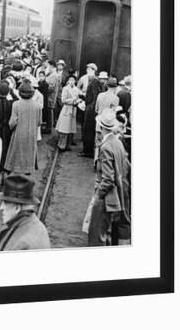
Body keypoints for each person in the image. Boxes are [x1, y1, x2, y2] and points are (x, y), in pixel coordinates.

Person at [88, 108, 131, 246]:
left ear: (101, 127)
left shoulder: (105, 146)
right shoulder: (118, 142)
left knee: (97, 232)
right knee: (113, 229)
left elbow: (107, 179)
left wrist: (98, 195)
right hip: (119, 191)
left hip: (107, 197)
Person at [0, 174, 51, 251]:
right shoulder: (30, 223)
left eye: (5, 203)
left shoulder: (24, 243)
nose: (1, 207)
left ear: (17, 208)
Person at [4, 82, 42, 175]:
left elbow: (12, 122)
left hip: (19, 132)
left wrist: (11, 128)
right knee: (30, 150)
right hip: (32, 132)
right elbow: (39, 122)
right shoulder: (37, 105)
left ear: (20, 93)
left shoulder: (16, 104)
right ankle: (28, 168)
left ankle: (15, 168)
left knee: (17, 151)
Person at [0, 81, 18, 172]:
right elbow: (17, 100)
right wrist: (12, 92)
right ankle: (6, 167)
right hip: (7, 129)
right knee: (7, 147)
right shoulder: (11, 104)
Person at [79, 70, 106, 158]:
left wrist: (91, 108)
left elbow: (94, 97)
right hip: (92, 109)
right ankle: (89, 150)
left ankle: (87, 151)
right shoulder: (100, 85)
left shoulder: (94, 83)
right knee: (90, 131)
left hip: (90, 110)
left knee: (88, 131)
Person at [56, 75, 81, 151]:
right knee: (64, 128)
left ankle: (68, 145)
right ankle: (61, 145)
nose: (71, 82)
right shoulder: (65, 89)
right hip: (67, 109)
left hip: (73, 110)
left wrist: (78, 101)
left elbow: (78, 97)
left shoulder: (76, 89)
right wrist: (73, 100)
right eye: (70, 80)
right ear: (68, 81)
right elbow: (63, 100)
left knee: (71, 128)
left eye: (73, 80)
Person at [44, 60, 58, 130]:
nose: (47, 67)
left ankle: (49, 128)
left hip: (50, 96)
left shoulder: (54, 75)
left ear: (51, 66)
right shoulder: (51, 74)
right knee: (49, 111)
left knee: (50, 112)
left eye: (48, 66)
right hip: (49, 96)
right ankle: (48, 127)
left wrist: (44, 89)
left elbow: (51, 87)